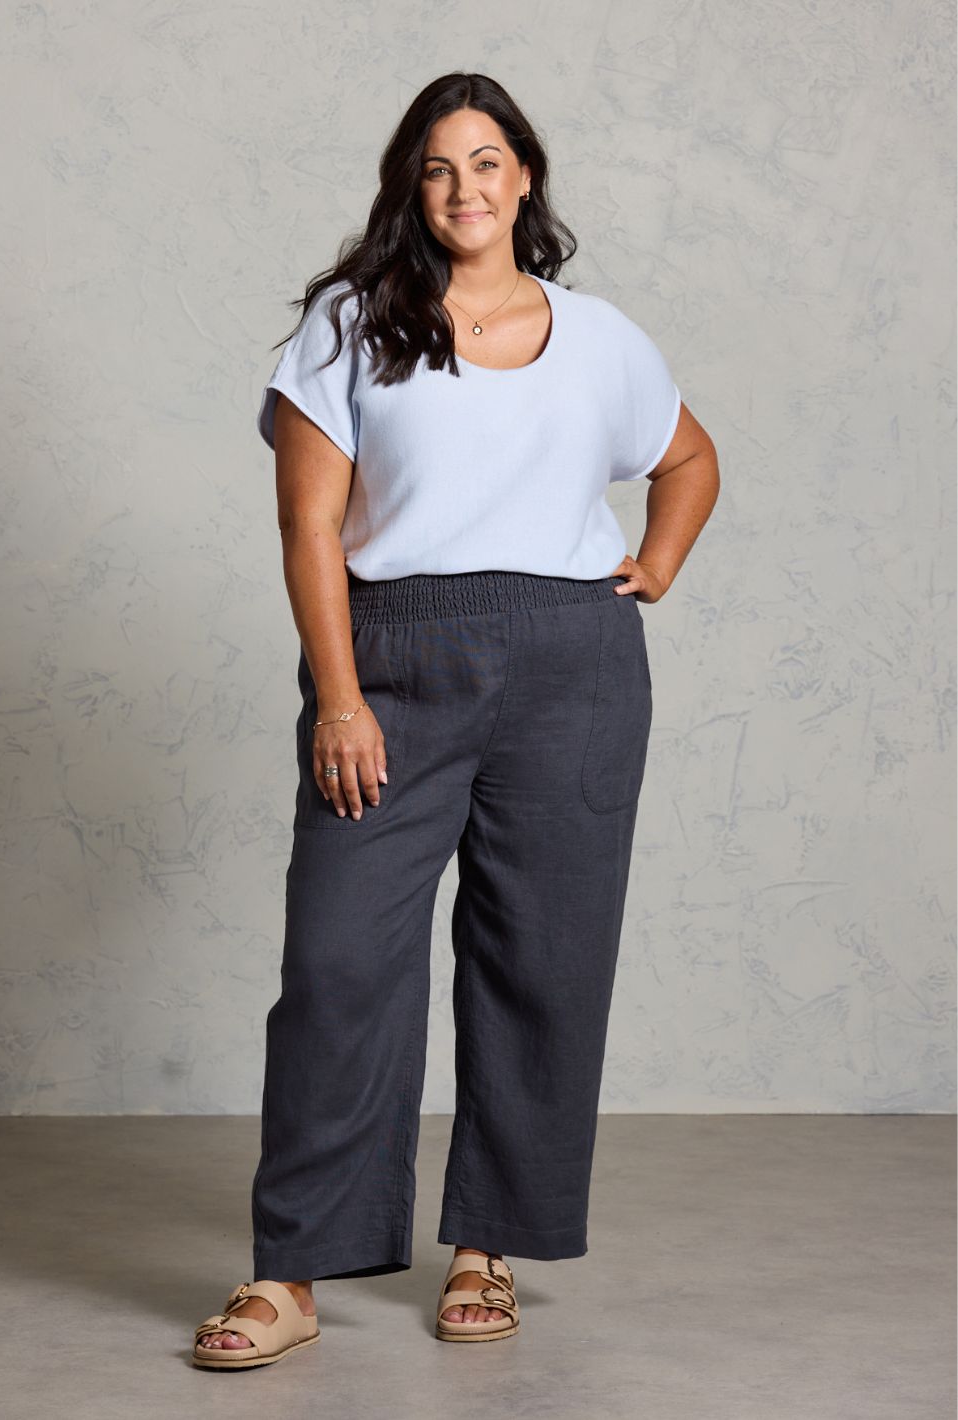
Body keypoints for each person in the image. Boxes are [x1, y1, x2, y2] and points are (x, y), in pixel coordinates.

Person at [192, 71, 719, 1370]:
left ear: (523, 177)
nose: (464, 187)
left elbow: (689, 457)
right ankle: (290, 1272)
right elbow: (308, 525)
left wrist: (653, 564)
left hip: (574, 672)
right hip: (394, 662)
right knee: (339, 965)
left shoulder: (601, 337)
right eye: (438, 167)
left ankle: (487, 1247)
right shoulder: (351, 324)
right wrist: (339, 696)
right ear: (410, 189)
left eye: (487, 162)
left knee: (544, 960)